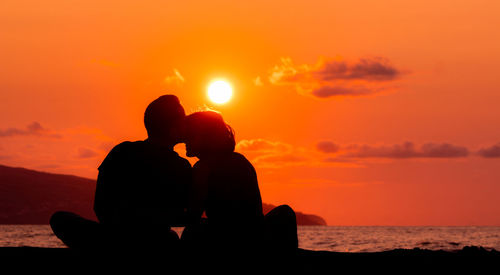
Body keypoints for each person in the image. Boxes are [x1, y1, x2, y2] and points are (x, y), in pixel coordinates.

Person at [50, 95, 192, 251]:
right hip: (151, 239)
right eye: (183, 120)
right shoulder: (181, 166)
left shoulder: (122, 151)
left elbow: (100, 205)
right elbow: (184, 213)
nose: (187, 124)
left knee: (60, 219)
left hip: (114, 235)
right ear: (172, 127)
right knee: (171, 238)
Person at [180, 111, 298, 253]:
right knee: (285, 212)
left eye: (189, 135)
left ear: (204, 136)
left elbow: (193, 215)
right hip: (254, 236)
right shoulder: (241, 161)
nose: (184, 140)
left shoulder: (203, 168)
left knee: (191, 231)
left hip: (229, 239)